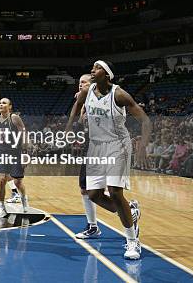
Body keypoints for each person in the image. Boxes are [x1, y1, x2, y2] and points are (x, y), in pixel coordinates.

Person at [66, 60, 151, 260]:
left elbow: (145, 120)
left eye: (97, 68)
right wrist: (68, 127)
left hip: (117, 145)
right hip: (96, 146)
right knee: (93, 194)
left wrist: (143, 147)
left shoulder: (119, 94)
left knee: (114, 191)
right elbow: (76, 106)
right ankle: (130, 211)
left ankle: (132, 241)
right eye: (92, 67)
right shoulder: (87, 92)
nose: (92, 70)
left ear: (107, 74)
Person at [72, 74, 101, 240]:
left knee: (104, 190)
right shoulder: (85, 103)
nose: (80, 85)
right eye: (79, 82)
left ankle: (128, 210)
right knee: (85, 188)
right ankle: (93, 226)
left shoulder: (99, 98)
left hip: (103, 146)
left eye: (83, 82)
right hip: (89, 146)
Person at [0, 98, 29, 218]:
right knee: (2, 180)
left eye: (4, 103)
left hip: (16, 152)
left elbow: (24, 132)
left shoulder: (14, 118)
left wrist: (25, 153)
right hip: (3, 153)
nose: (1, 104)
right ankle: (1, 207)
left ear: (10, 106)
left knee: (17, 182)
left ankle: (24, 198)